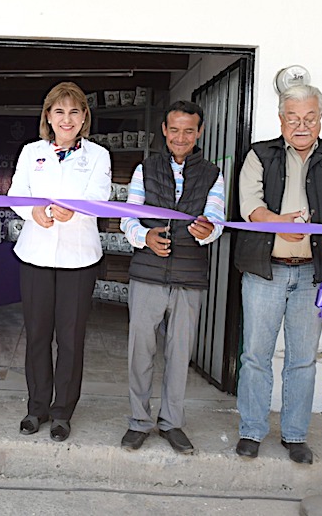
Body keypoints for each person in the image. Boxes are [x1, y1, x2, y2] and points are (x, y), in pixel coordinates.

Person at [234, 85, 322, 464]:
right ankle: (251, 431)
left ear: (320, 118)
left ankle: (294, 434)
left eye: (309, 118)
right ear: (281, 119)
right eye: (294, 118)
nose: (301, 125)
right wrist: (276, 224)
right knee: (255, 354)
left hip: (313, 274)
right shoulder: (260, 154)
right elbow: (249, 206)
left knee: (304, 357)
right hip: (264, 270)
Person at [119, 101, 225, 454]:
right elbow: (128, 218)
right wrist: (144, 237)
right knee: (140, 351)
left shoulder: (212, 173)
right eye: (175, 129)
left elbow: (216, 222)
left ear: (200, 133)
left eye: (189, 131)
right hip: (147, 273)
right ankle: (139, 421)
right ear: (164, 130)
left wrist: (205, 230)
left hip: (188, 277)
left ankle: (172, 423)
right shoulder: (144, 169)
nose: (181, 137)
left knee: (180, 353)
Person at [8, 82, 111, 442]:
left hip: (79, 259)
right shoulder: (31, 152)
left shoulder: (98, 155)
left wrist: (76, 210)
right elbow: (15, 196)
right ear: (48, 116)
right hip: (35, 255)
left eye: (74, 112)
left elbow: (100, 196)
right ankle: (36, 407)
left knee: (70, 339)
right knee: (36, 336)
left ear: (84, 117)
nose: (66, 119)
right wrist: (32, 210)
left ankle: (62, 411)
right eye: (59, 111)